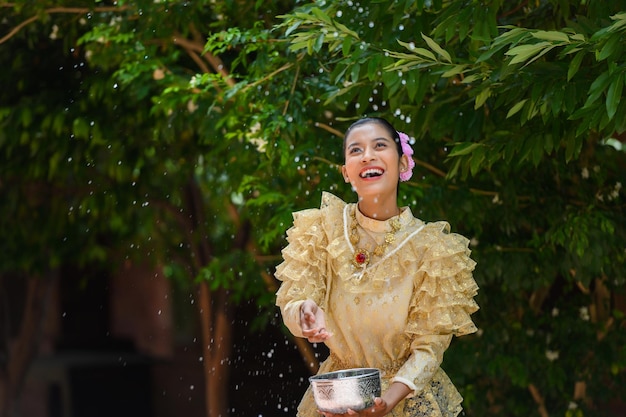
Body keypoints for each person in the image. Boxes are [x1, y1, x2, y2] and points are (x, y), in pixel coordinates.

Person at [275, 117, 479, 417]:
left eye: (379, 146)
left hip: (407, 397)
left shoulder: (432, 247)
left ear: (403, 163)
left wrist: (389, 399)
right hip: (339, 399)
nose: (367, 155)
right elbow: (296, 302)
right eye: (356, 150)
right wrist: (304, 312)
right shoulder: (322, 229)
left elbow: (429, 348)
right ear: (346, 172)